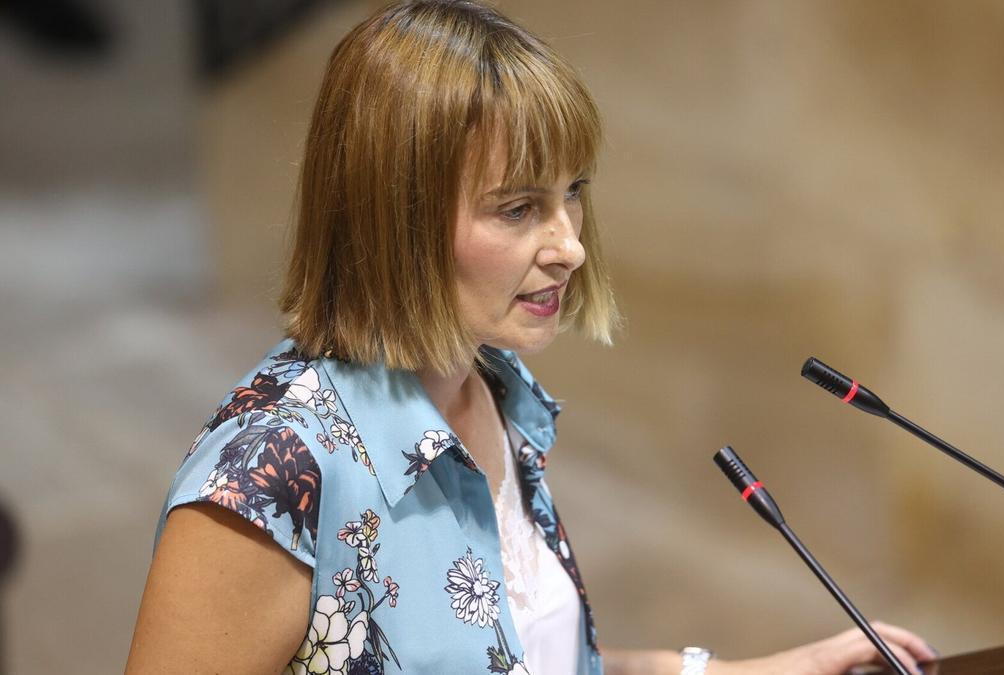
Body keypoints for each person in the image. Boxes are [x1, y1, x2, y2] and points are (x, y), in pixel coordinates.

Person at [125, 2, 937, 673]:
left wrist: (753, 672)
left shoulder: (491, 389)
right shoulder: (265, 476)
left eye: (571, 194)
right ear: (394, 218)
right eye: (517, 209)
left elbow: (523, 658)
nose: (571, 246)